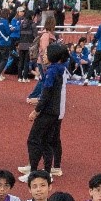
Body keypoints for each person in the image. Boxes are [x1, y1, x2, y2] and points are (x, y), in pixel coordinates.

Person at [26, 43, 68, 176]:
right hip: (55, 111)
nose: (43, 56)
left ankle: (33, 172)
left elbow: (47, 94)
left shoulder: (52, 71)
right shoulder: (60, 69)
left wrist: (36, 111)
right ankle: (47, 172)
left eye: (45, 53)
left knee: (33, 140)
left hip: (47, 111)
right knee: (46, 141)